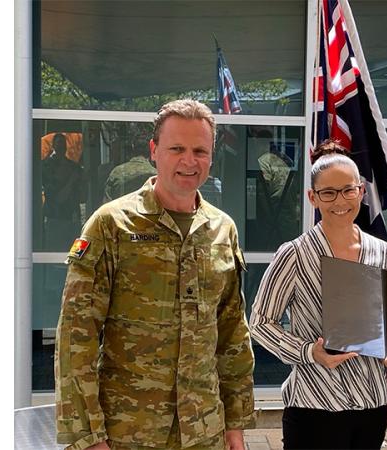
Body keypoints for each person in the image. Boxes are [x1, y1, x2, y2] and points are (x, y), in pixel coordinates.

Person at [54, 99, 255, 450]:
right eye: (177, 148)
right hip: (127, 433)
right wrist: (88, 437)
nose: (189, 161)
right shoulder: (111, 225)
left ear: (211, 156)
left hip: (204, 432)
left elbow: (232, 334)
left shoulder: (223, 230)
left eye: (200, 151)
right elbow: (76, 337)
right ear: (154, 150)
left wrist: (234, 425)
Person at [249, 140, 387, 449]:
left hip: (371, 401)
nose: (340, 201)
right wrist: (309, 352)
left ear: (361, 191)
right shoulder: (294, 254)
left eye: (348, 190)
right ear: (312, 197)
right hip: (314, 403)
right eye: (328, 193)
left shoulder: (383, 252)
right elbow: (260, 323)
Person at [42, 132, 87, 249]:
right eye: (58, 144)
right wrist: (71, 180)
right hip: (54, 216)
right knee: (54, 251)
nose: (61, 147)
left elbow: (82, 195)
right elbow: (55, 196)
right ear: (53, 146)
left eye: (63, 144)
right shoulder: (47, 167)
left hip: (72, 217)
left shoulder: (74, 167)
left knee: (75, 253)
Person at [103, 129, 157, 203]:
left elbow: (106, 204)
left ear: (132, 146)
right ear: (152, 149)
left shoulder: (117, 172)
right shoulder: (156, 175)